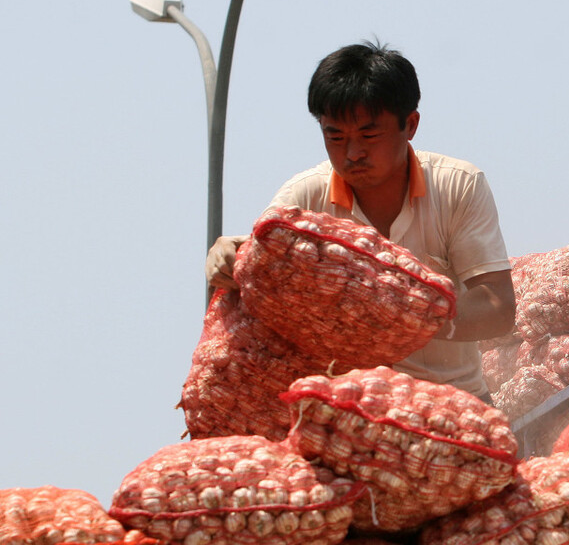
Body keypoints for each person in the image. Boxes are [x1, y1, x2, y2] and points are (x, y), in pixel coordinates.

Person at [205, 41, 515, 401]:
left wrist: (409, 318)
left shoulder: (457, 186)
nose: (352, 153)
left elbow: (498, 308)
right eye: (335, 136)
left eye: (369, 135)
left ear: (410, 124)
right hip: (340, 413)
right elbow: (256, 261)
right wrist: (226, 256)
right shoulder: (304, 199)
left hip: (452, 401)